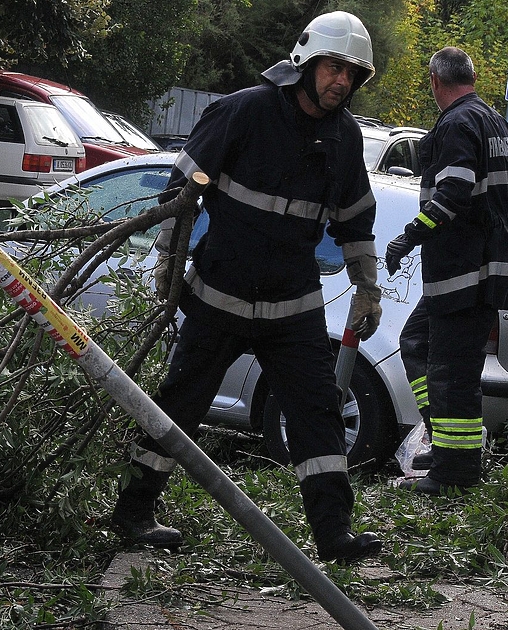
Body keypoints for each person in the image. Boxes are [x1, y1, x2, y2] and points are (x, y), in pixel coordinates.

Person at [111, 11, 384, 564]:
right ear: (306, 62)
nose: (341, 81)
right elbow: (182, 190)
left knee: (317, 413)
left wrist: (367, 287)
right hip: (221, 295)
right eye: (333, 67)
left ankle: (334, 534)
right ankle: (134, 514)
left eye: (352, 73)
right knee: (180, 403)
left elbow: (355, 220)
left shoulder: (345, 137)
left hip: (293, 305)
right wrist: (169, 260)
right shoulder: (245, 111)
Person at [385, 47, 508, 495]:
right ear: (472, 78)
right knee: (417, 343)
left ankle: (455, 475)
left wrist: (408, 237)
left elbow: (453, 193)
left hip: (463, 273)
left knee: (452, 373)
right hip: (484, 270)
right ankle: (445, 448)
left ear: (434, 81)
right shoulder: (497, 123)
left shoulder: (457, 124)